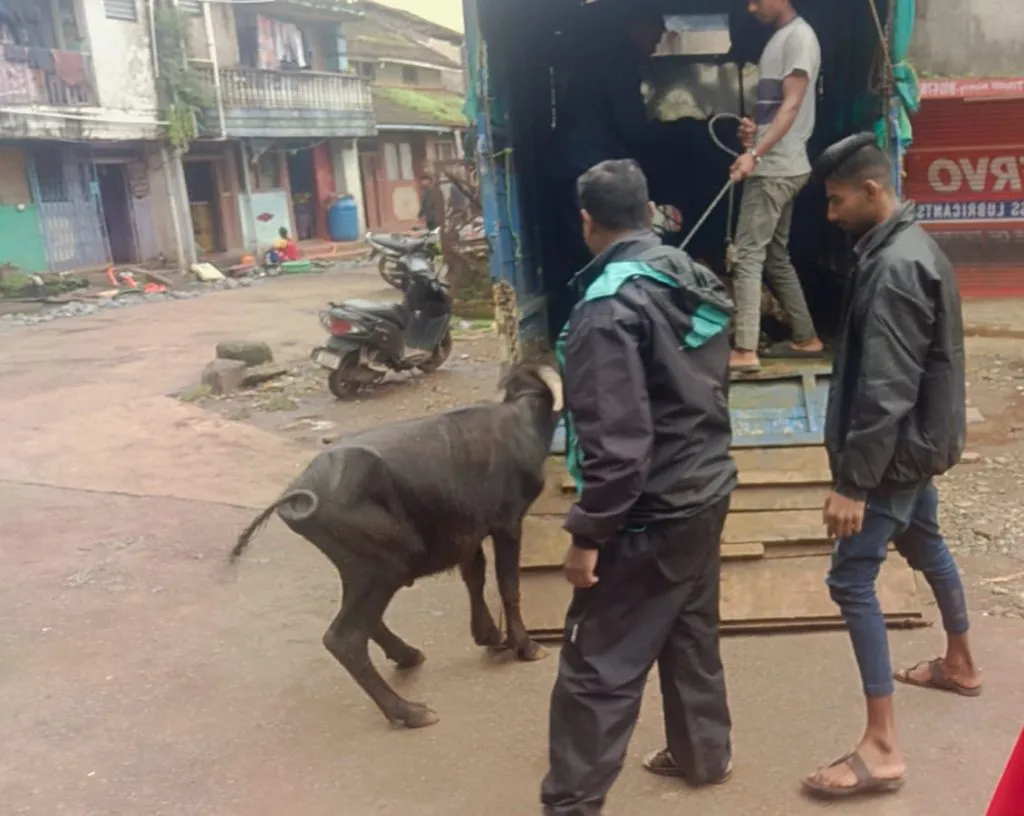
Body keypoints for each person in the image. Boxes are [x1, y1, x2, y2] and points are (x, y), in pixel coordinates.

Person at [540, 159, 737, 815]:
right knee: (689, 628)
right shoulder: (690, 276)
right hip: (705, 489)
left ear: (588, 221)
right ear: (650, 211)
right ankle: (703, 753)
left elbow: (618, 448)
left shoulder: (606, 308)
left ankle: (571, 805)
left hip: (648, 512)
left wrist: (587, 535)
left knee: (596, 667)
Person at [803, 132, 981, 799]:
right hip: (917, 448)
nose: (830, 212)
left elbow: (885, 386)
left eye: (836, 198)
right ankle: (961, 662)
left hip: (892, 459)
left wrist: (853, 483)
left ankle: (881, 747)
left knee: (851, 582)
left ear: (872, 190)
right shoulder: (912, 245)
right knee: (926, 541)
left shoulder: (895, 266)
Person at [546, 10, 667, 338]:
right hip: (584, 169)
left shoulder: (604, 57)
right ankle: (595, 330)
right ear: (636, 25)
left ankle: (590, 326)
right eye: (655, 33)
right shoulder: (618, 63)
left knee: (583, 250)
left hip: (574, 165)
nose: (657, 42)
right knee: (596, 253)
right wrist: (664, 139)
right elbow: (632, 126)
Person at [727, 0, 825, 372]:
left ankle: (745, 348)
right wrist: (753, 129)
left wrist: (756, 154)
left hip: (775, 169)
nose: (751, 8)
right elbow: (773, 106)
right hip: (781, 163)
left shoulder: (798, 38)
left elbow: (792, 104)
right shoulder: (780, 39)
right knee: (775, 255)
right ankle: (806, 337)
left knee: (747, 255)